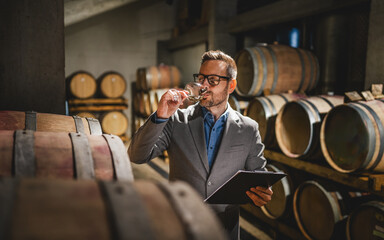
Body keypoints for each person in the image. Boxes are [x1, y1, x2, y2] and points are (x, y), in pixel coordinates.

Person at [128, 50, 273, 240]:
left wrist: (262, 193)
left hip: (224, 229)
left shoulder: (248, 128)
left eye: (212, 80)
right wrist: (161, 115)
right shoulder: (177, 120)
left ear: (231, 85)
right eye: (201, 78)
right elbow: (136, 155)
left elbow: (258, 175)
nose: (203, 85)